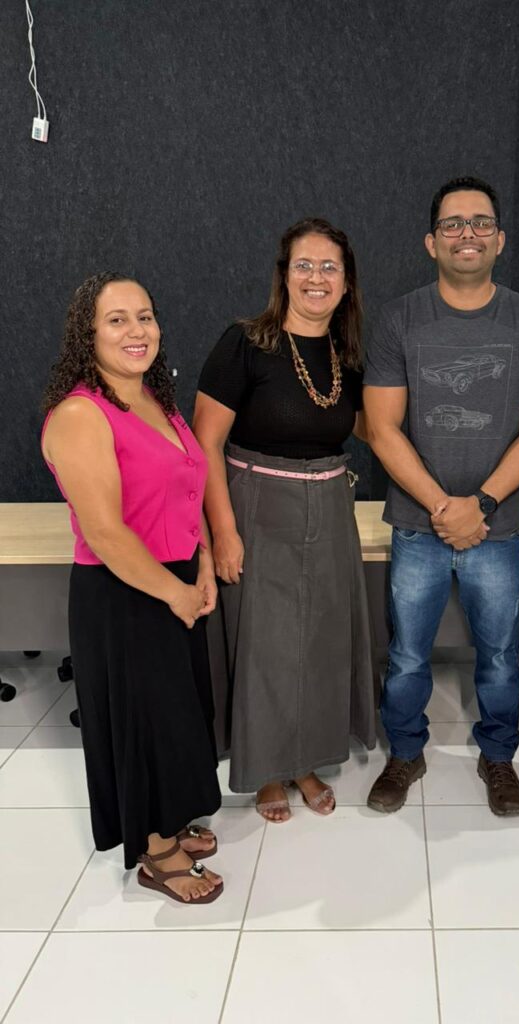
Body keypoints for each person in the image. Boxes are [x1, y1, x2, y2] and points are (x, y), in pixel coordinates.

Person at [364, 176, 519, 816]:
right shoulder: (399, 318)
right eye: (452, 224)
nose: (466, 233)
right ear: (431, 242)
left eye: (480, 222)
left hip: (495, 528)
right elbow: (382, 428)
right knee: (406, 655)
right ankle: (405, 753)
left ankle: (498, 757)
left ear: (500, 239)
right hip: (417, 525)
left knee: (500, 655)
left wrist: (482, 503)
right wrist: (444, 507)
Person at [41, 272, 223, 904]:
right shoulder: (79, 414)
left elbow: (188, 489)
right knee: (145, 724)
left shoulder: (155, 400)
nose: (135, 330)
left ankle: (170, 818)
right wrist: (174, 592)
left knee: (177, 714)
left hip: (175, 578)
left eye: (144, 316)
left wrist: (202, 563)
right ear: (87, 333)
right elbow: (105, 532)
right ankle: (155, 852)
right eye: (116, 320)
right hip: (123, 593)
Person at [194, 217, 376, 822]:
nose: (316, 277)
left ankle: (305, 760)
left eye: (329, 267)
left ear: (346, 282)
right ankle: (268, 770)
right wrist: (224, 532)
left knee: (321, 642)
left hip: (329, 509)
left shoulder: (347, 357)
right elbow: (204, 444)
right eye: (304, 265)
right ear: (284, 275)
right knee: (267, 647)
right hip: (256, 509)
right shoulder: (245, 343)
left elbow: (374, 430)